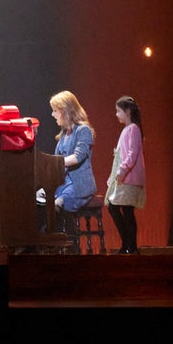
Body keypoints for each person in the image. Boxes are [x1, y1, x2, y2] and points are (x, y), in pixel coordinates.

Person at [47, 90, 96, 245]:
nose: (53, 114)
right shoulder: (63, 136)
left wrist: (53, 162)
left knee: (58, 204)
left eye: (55, 110)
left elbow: (77, 157)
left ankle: (68, 246)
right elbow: (56, 161)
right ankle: (42, 243)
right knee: (40, 201)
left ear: (65, 110)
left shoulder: (83, 130)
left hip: (78, 185)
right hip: (63, 183)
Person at [104, 95, 146, 254]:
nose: (116, 114)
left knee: (125, 211)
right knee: (115, 208)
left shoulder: (133, 129)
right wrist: (113, 176)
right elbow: (119, 156)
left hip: (130, 178)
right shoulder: (127, 130)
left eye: (118, 111)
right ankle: (128, 244)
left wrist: (122, 170)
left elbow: (132, 154)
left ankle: (130, 246)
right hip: (124, 178)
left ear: (127, 111)